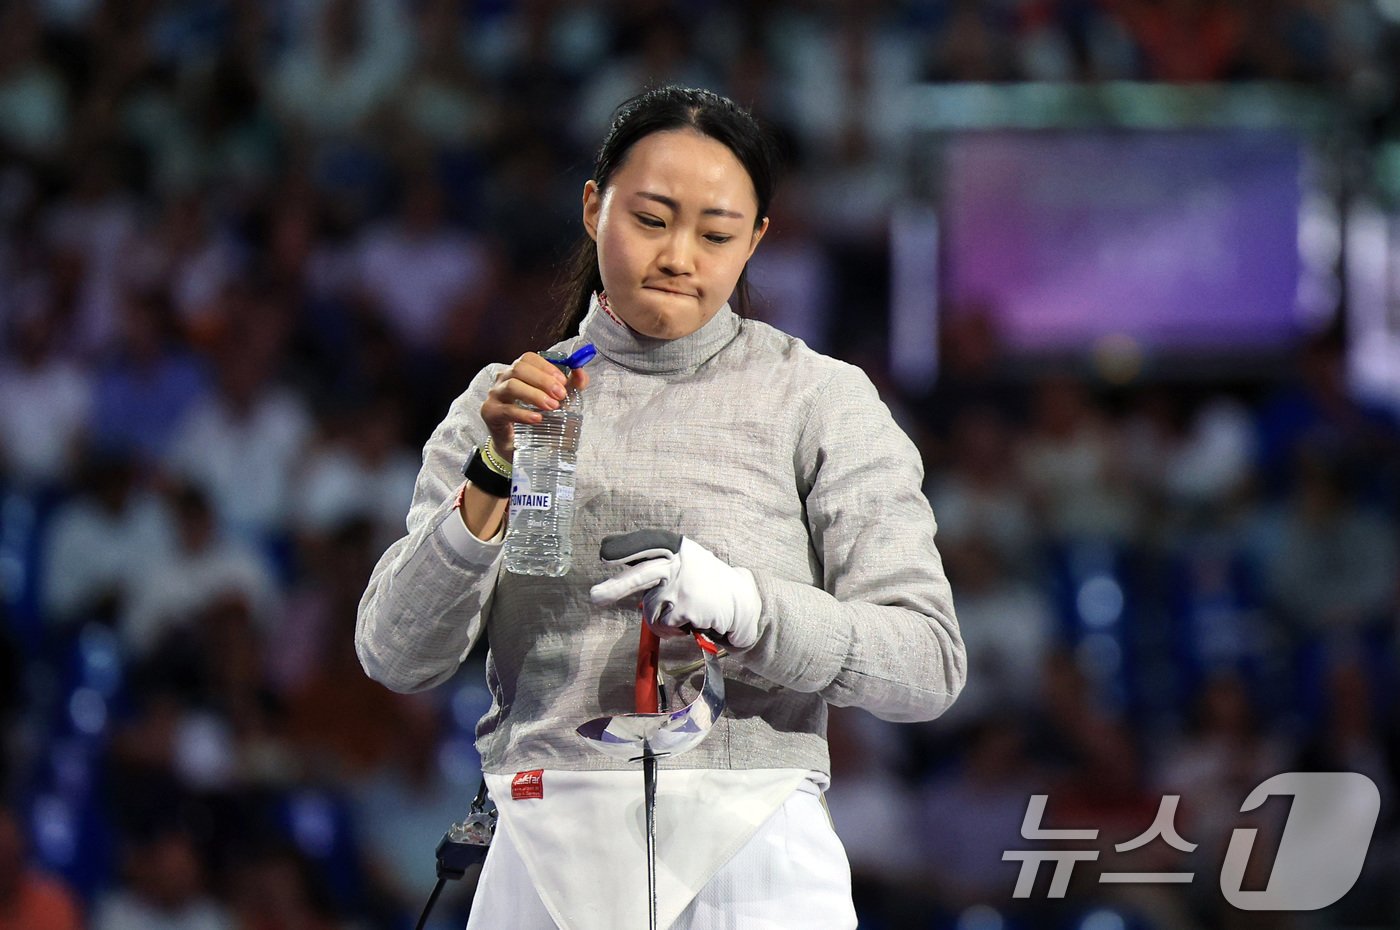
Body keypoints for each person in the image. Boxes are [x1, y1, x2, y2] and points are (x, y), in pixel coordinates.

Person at [356, 85, 964, 930]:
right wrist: (491, 473)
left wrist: (749, 611)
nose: (680, 255)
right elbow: (395, 653)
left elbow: (927, 662)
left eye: (716, 234)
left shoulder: (820, 400)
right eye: (650, 220)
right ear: (593, 207)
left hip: (752, 840)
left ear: (754, 241)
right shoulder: (504, 405)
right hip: (541, 833)